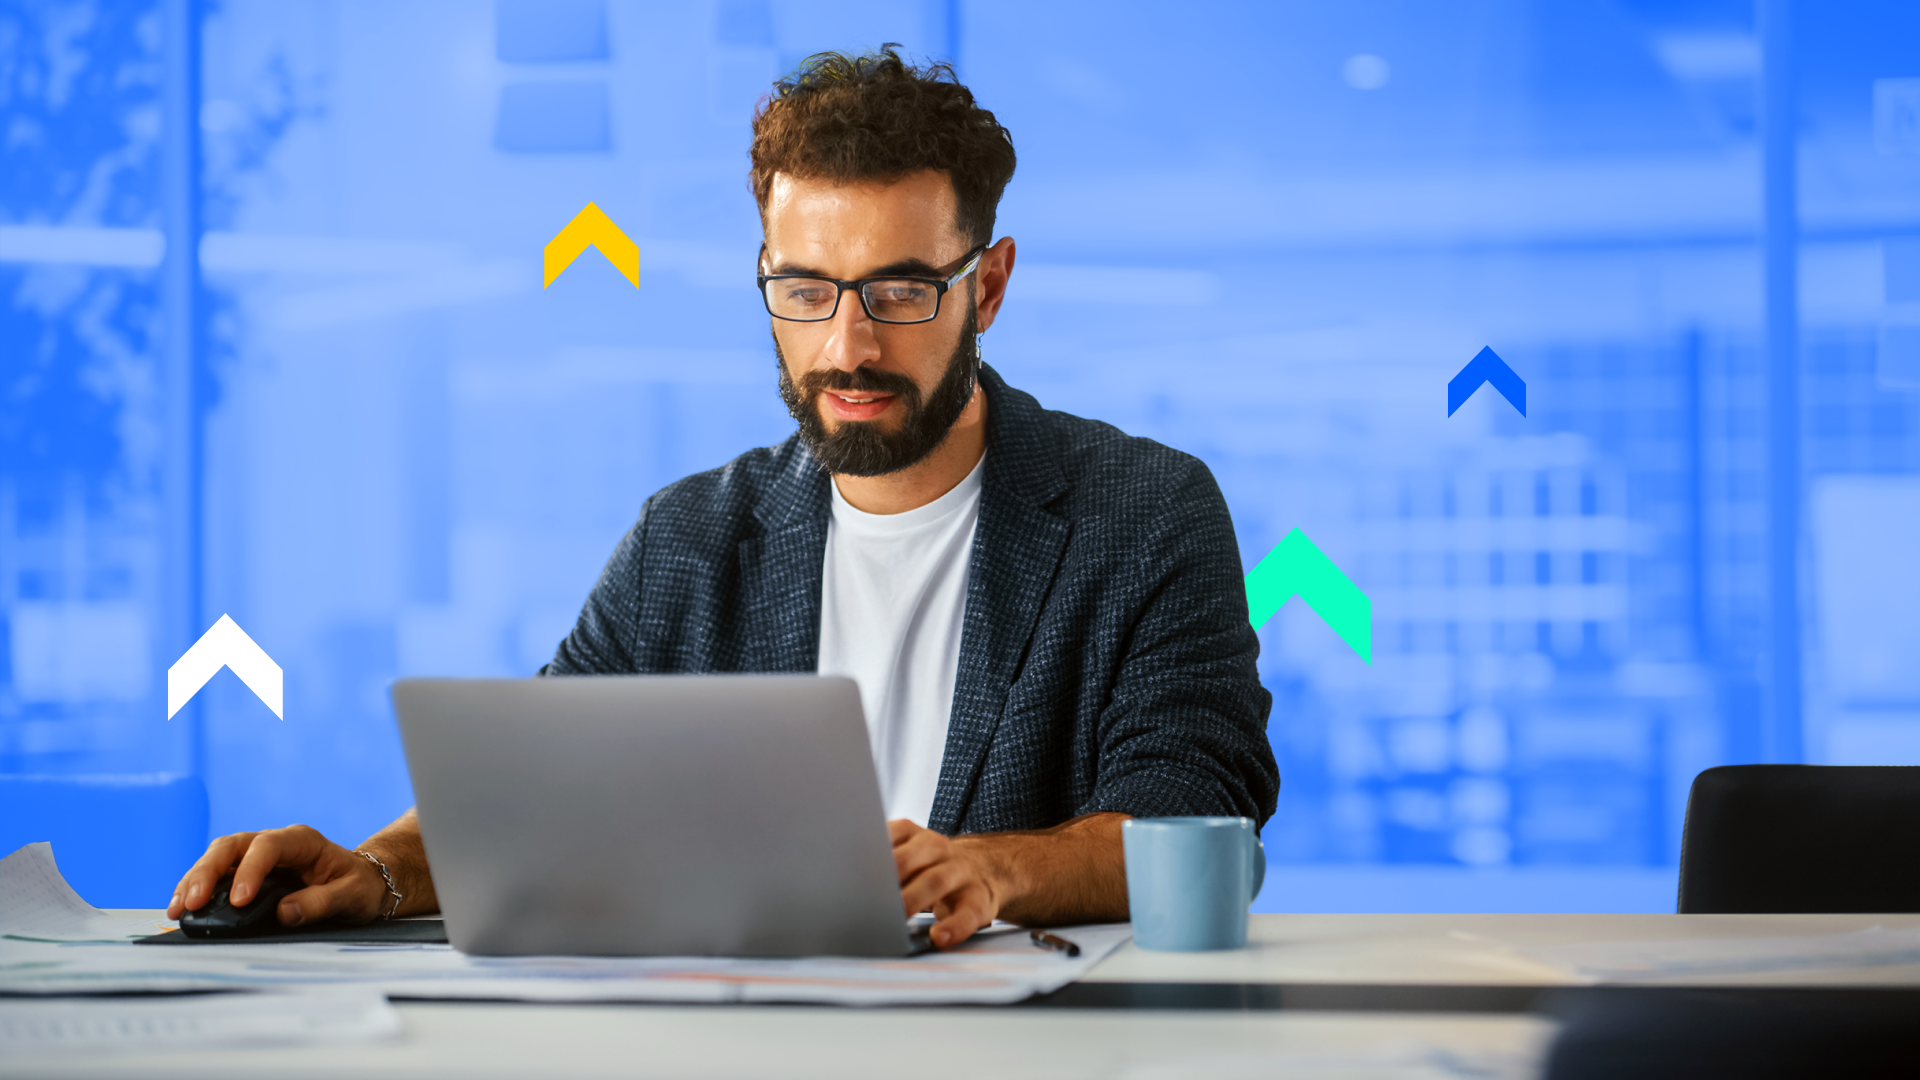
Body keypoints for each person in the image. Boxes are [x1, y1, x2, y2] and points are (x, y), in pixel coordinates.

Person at [169, 47, 1278, 950]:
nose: (847, 345)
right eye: (804, 290)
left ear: (985, 287)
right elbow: (544, 787)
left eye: (900, 291)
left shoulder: (1145, 513)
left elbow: (1196, 818)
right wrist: (375, 872)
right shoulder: (689, 538)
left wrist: (991, 869)